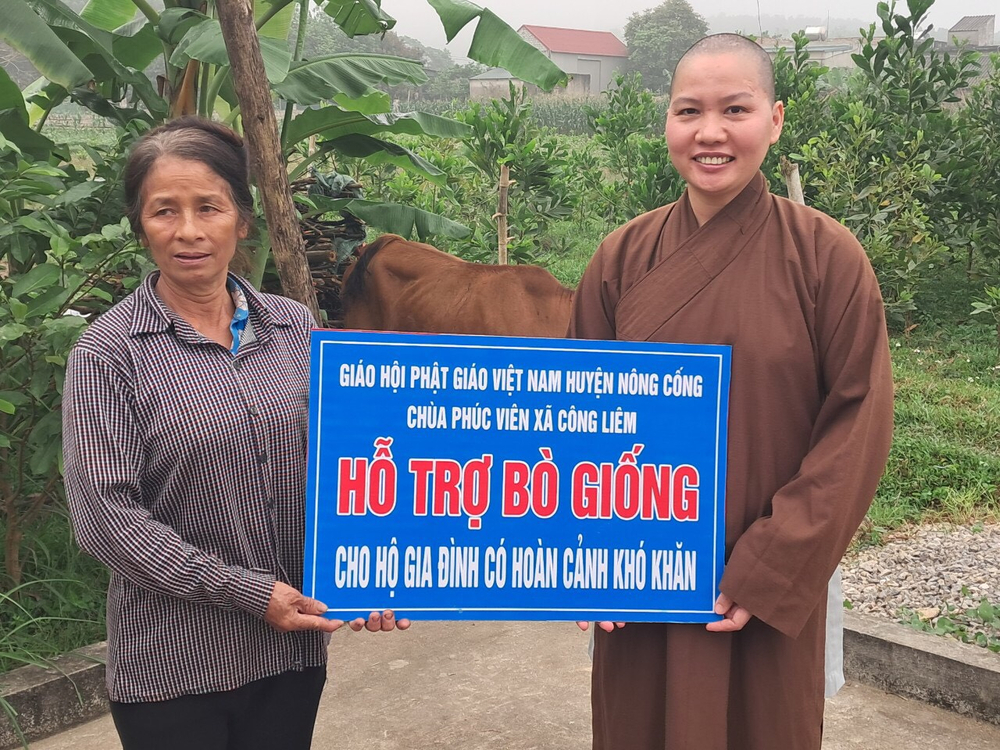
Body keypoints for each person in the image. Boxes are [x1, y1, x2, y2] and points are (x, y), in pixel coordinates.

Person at [569, 34, 894, 750]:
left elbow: (857, 424)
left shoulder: (826, 257)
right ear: (668, 124)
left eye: (735, 109)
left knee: (764, 728)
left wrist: (771, 563)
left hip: (762, 587)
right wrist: (587, 557)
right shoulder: (620, 258)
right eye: (689, 111)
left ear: (774, 120)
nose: (710, 133)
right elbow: (576, 425)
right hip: (639, 579)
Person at [62, 116, 406, 750]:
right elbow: (103, 516)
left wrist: (383, 576)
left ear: (241, 220)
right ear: (142, 224)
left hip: (290, 658)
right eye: (164, 211)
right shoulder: (110, 351)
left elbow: (349, 466)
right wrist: (249, 593)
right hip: (172, 668)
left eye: (209, 207)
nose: (188, 231)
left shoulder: (296, 328)